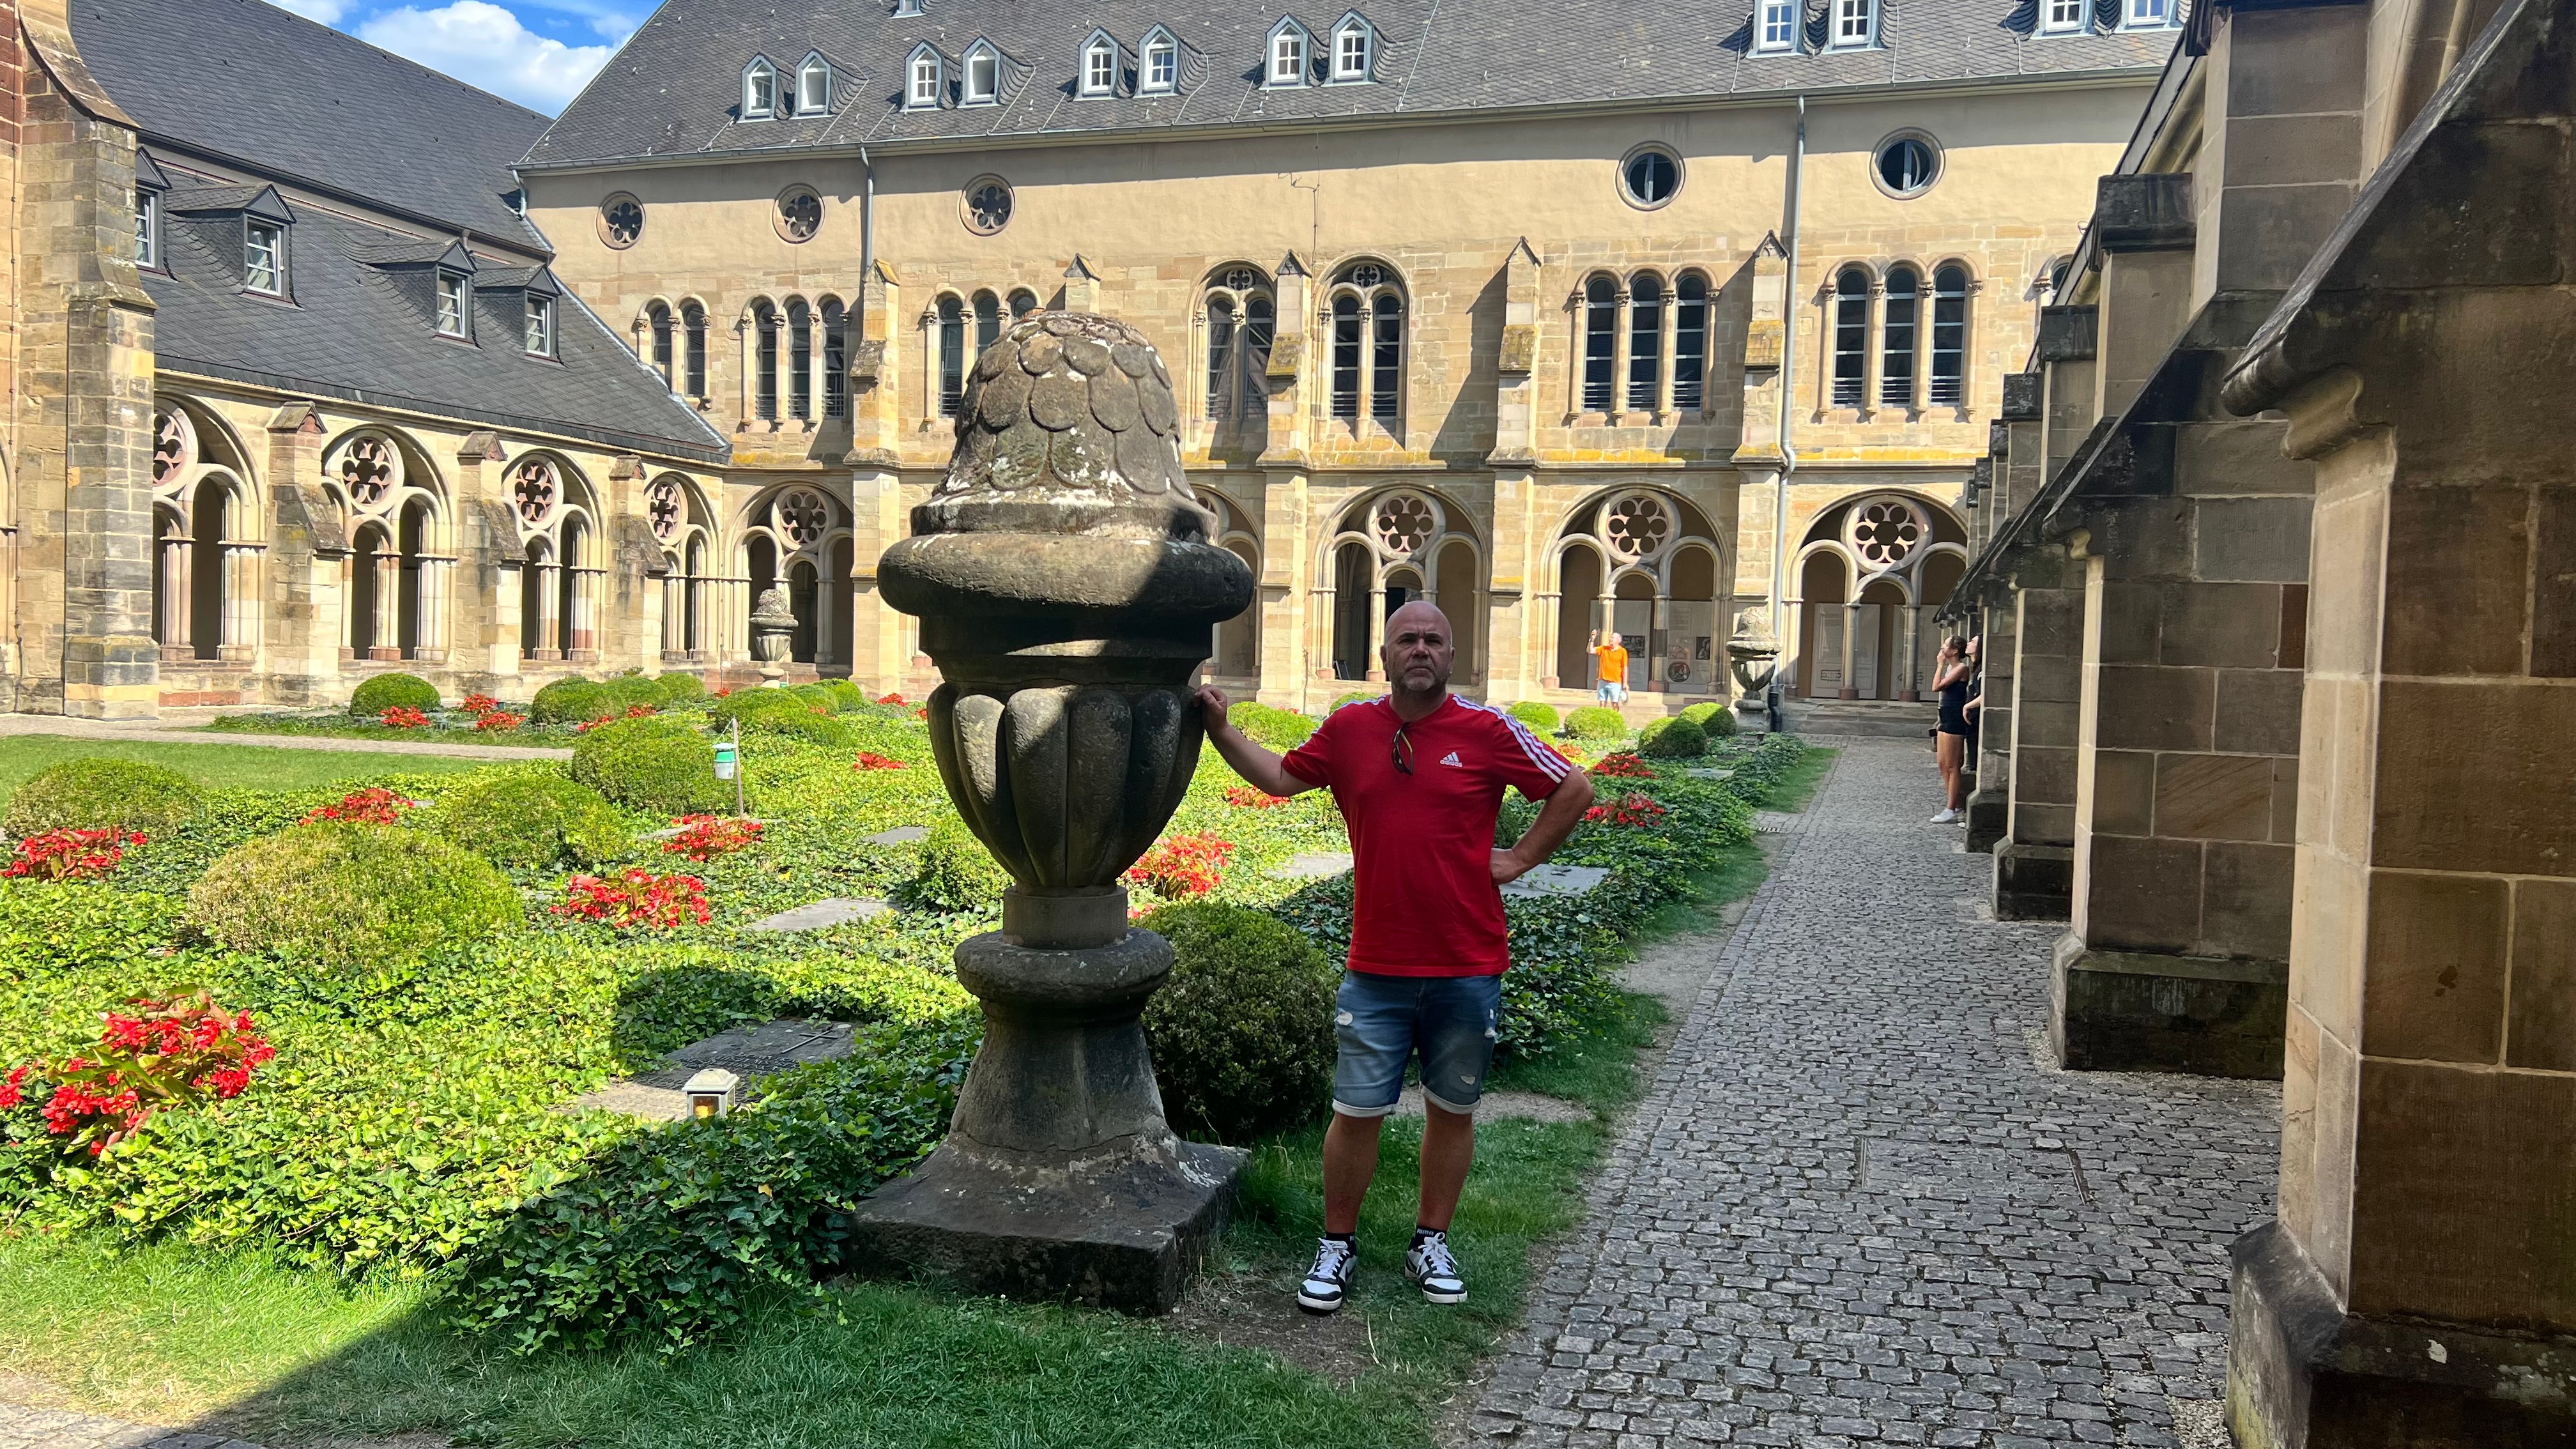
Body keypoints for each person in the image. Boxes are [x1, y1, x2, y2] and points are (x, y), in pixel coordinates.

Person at [1195, 601, 1597, 1315]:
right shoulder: (1351, 729)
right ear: (1384, 656)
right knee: (1355, 1111)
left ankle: (1429, 1242)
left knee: (1452, 1110)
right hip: (1377, 965)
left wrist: (1520, 858)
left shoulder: (1489, 730)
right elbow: (1280, 778)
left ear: (1452, 656)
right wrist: (1223, 730)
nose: (1420, 649)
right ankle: (1337, 1245)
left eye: (1434, 640)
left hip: (1467, 964)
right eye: (1407, 639)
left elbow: (1575, 787)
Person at [1930, 634, 1974, 823]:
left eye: (1946, 645)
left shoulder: (1961, 668)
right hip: (1945, 715)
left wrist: (1939, 665)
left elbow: (1936, 687)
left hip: (1955, 717)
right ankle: (1954, 805)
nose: (1942, 647)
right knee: (1942, 763)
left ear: (1955, 650)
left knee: (1953, 765)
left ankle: (1951, 808)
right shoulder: (1951, 668)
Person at [1592, 630, 1630, 705]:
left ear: (1618, 641)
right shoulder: (1604, 649)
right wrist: (1591, 640)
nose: (1610, 639)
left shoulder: (1622, 652)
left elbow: (1625, 668)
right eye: (1610, 637)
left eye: (1612, 638)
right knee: (1602, 704)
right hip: (1602, 681)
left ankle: (1615, 714)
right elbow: (1590, 650)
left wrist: (1625, 683)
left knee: (1615, 704)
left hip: (1615, 682)